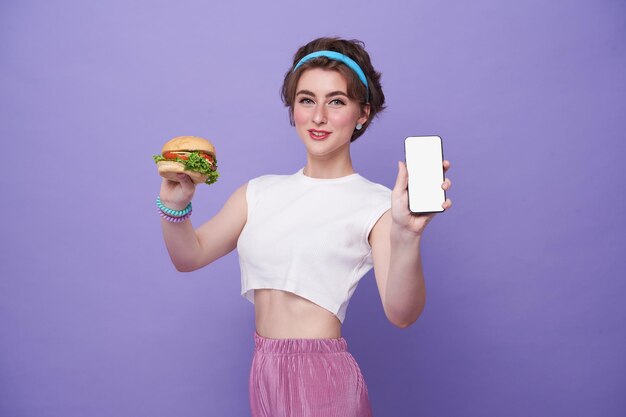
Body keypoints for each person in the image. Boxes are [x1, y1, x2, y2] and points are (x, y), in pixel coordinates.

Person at [156, 37, 452, 417]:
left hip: (323, 377)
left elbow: (402, 313)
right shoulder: (258, 192)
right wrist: (175, 206)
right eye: (307, 99)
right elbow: (189, 256)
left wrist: (408, 235)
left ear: (362, 113)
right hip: (263, 370)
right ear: (293, 107)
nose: (318, 117)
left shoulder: (378, 204)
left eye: (337, 102)